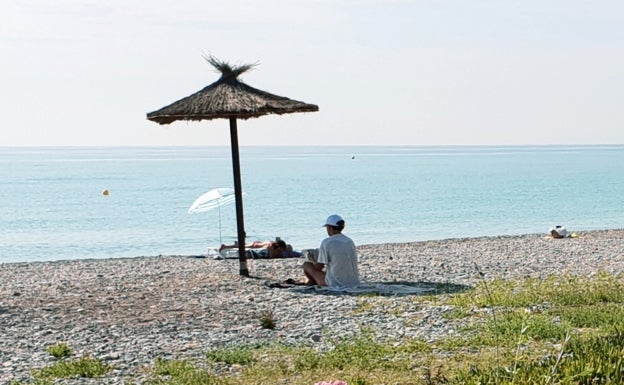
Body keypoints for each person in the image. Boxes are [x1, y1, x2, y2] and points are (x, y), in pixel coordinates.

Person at [303, 214, 360, 288]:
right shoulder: (349, 241)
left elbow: (319, 267)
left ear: (330, 228)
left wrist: (312, 260)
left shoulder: (327, 242)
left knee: (307, 265)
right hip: (353, 281)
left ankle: (312, 281)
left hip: (334, 283)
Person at [219, 239, 295, 258]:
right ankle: (226, 246)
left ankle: (226, 246)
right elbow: (271, 256)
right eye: (281, 249)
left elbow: (289, 247)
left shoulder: (274, 246)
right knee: (240, 246)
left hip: (257, 244)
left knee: (241, 245)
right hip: (255, 245)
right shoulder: (271, 245)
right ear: (279, 246)